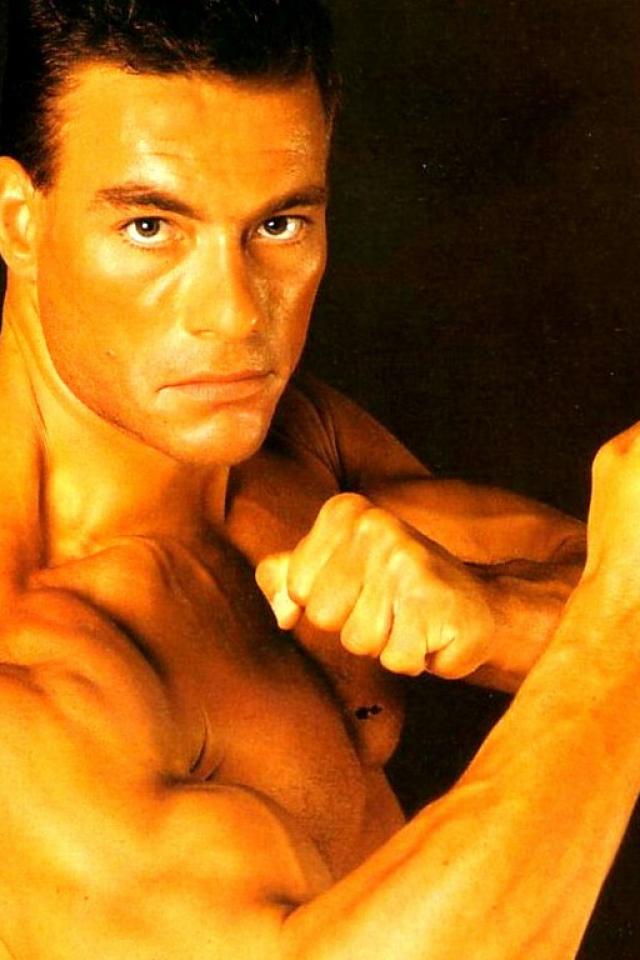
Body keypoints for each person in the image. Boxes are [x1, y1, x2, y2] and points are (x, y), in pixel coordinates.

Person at [0, 1, 632, 957]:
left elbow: (592, 577)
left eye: (279, 224)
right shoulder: (31, 687)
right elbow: (615, 615)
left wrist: (497, 617)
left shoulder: (298, 450)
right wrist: (618, 631)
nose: (233, 315)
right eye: (149, 227)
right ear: (18, 220)